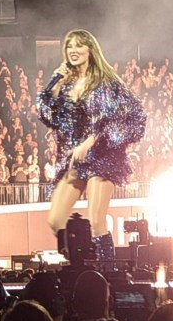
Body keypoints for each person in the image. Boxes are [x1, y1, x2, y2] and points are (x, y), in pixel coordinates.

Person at [38, 29, 146, 262]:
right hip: (76, 160)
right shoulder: (66, 85)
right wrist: (54, 86)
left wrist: (90, 141)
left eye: (79, 45)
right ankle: (78, 262)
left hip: (102, 157)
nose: (73, 50)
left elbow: (119, 116)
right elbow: (49, 118)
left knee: (97, 220)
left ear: (90, 50)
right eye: (69, 46)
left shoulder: (105, 82)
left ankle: (108, 271)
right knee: (56, 220)